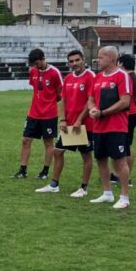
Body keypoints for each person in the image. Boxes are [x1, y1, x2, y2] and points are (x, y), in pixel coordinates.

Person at [36, 49, 95, 197]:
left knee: (86, 156)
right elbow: (63, 100)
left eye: (77, 60)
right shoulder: (68, 78)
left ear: (83, 60)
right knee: (58, 151)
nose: (74, 63)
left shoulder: (90, 77)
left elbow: (91, 101)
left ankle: (83, 188)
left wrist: (79, 120)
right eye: (71, 61)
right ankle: (54, 185)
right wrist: (63, 119)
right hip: (69, 124)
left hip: (84, 125)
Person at [87, 46, 132, 210]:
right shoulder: (97, 77)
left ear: (112, 59)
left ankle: (124, 196)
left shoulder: (122, 76)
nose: (97, 60)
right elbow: (91, 99)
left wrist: (103, 113)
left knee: (119, 161)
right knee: (100, 159)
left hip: (116, 126)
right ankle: (107, 193)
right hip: (99, 127)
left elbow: (125, 101)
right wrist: (92, 109)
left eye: (100, 58)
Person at [14, 48, 63, 180]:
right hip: (33, 113)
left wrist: (48, 103)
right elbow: (36, 89)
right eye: (33, 64)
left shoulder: (54, 73)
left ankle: (45, 171)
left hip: (49, 114)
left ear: (43, 58)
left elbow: (60, 94)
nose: (35, 66)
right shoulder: (33, 72)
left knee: (48, 143)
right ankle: (23, 170)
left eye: (37, 63)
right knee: (25, 140)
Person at [118, 54, 136, 185]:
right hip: (132, 113)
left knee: (125, 145)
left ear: (122, 64)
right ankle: (122, 175)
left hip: (128, 114)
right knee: (127, 144)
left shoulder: (127, 77)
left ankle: (125, 176)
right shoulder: (133, 77)